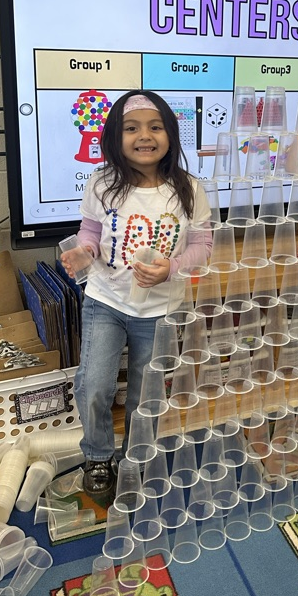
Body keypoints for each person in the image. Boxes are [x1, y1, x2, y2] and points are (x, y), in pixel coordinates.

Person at [60, 89, 212, 497]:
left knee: (146, 393)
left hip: (161, 309)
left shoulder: (189, 189)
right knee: (94, 383)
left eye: (155, 126)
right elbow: (91, 235)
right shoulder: (102, 182)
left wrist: (172, 268)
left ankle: (136, 456)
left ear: (170, 134)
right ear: (115, 136)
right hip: (105, 301)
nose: (144, 136)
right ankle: (97, 455)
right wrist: (82, 252)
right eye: (131, 128)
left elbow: (203, 246)